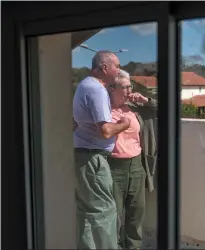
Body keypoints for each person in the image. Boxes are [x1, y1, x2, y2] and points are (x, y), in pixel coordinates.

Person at [73, 51, 130, 250]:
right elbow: (105, 131)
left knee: (86, 212)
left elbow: (78, 123)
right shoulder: (96, 90)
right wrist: (124, 124)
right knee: (105, 211)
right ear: (105, 68)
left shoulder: (83, 85)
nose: (119, 70)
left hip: (81, 156)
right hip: (93, 158)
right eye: (117, 66)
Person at [107, 70, 158, 249]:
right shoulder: (103, 108)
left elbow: (166, 110)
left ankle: (133, 247)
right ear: (112, 88)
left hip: (137, 166)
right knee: (114, 216)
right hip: (113, 167)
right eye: (125, 86)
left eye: (130, 86)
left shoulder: (136, 108)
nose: (129, 90)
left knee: (136, 214)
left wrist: (146, 101)